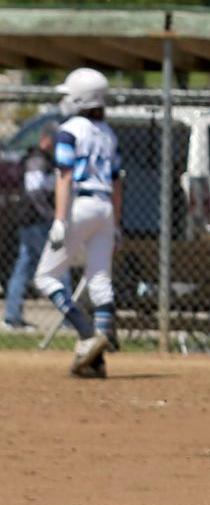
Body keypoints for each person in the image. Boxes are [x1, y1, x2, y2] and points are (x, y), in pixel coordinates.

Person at [34, 68, 121, 378]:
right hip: (105, 207)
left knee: (45, 277)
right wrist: (117, 223)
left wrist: (59, 219)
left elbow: (65, 175)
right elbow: (117, 181)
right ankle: (97, 361)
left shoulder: (70, 129)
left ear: (79, 98)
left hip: (80, 205)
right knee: (99, 279)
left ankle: (87, 335)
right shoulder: (108, 133)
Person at [5, 124, 58, 331]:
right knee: (57, 267)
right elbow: (35, 192)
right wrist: (52, 216)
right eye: (54, 140)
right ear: (46, 139)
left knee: (24, 266)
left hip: (35, 221)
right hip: (35, 222)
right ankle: (70, 318)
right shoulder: (37, 159)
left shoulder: (48, 161)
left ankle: (12, 315)